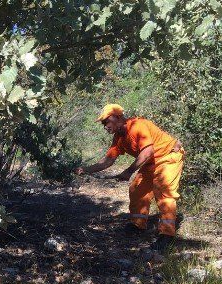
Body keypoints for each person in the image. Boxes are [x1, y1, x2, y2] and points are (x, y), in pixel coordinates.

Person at [75, 103, 185, 251]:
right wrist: (85, 170)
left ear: (118, 117)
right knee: (136, 190)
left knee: (163, 192)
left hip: (168, 156)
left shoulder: (138, 126)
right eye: (103, 123)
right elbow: (107, 161)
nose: (105, 126)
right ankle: (138, 224)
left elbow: (147, 152)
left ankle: (167, 235)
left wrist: (128, 171)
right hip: (151, 162)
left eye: (107, 121)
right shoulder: (119, 138)